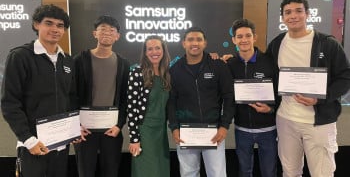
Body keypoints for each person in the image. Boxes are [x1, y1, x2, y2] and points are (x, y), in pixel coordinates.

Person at [266, 0, 350, 177]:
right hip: (286, 119)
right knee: (290, 172)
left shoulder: (327, 44)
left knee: (322, 173)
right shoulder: (277, 44)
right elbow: (267, 74)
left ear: (308, 14)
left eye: (298, 11)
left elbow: (345, 77)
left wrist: (321, 99)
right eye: (288, 12)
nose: (293, 16)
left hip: (319, 122)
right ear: (282, 18)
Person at [1, 4, 78, 177]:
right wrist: (28, 139)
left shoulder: (67, 60)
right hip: (33, 145)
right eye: (48, 23)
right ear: (37, 24)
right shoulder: (20, 56)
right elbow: (9, 103)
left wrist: (73, 129)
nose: (55, 29)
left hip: (60, 144)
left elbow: (71, 97)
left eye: (60, 26)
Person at [168, 26, 235, 177]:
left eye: (199, 39)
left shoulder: (218, 66)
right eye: (190, 39)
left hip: (214, 131)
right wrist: (174, 128)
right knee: (188, 173)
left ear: (205, 43)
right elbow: (171, 102)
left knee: (217, 173)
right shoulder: (175, 70)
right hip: (186, 132)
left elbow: (229, 97)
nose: (195, 43)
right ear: (183, 43)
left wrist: (224, 126)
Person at [73, 15, 130, 177]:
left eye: (112, 30)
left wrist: (119, 125)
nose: (107, 33)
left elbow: (125, 99)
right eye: (102, 29)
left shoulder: (124, 64)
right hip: (85, 130)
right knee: (85, 172)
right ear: (94, 34)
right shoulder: (79, 60)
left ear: (117, 36)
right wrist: (75, 124)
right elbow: (71, 95)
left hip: (111, 130)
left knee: (111, 171)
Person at [227, 18, 278, 177]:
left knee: (269, 171)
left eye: (247, 36)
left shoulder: (269, 62)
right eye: (240, 36)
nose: (244, 40)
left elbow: (280, 93)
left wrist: (270, 109)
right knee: (244, 171)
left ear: (254, 37)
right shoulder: (230, 64)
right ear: (234, 40)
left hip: (268, 129)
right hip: (242, 129)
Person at [127, 35, 171, 177]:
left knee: (161, 169)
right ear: (145, 53)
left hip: (161, 132)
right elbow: (132, 109)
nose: (154, 52)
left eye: (157, 48)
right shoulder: (137, 73)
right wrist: (134, 139)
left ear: (163, 50)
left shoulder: (167, 75)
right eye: (150, 49)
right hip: (144, 132)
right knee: (146, 171)